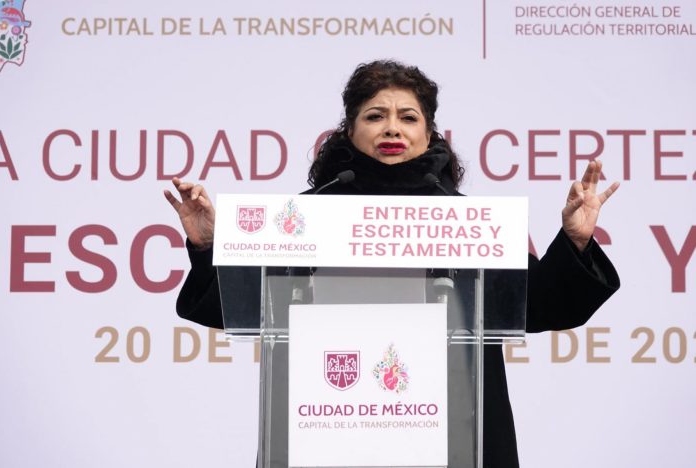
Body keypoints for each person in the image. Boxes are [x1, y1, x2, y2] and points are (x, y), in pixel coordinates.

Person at [164, 60, 620, 468]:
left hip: (454, 437)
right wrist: (208, 247)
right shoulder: (302, 219)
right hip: (325, 429)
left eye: (408, 117)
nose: (392, 129)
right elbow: (229, 307)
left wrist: (574, 242)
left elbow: (541, 305)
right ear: (349, 130)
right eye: (375, 116)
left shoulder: (464, 221)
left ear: (428, 133)